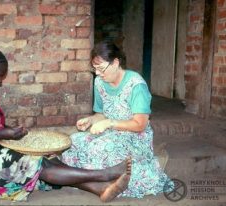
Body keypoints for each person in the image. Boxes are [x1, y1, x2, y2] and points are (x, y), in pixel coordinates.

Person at [0, 47, 132, 202]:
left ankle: (100, 189)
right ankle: (104, 175)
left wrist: (11, 130)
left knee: (48, 158)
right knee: (36, 165)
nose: (0, 82)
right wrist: (2, 135)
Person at [61, 40, 174, 198]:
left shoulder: (136, 85)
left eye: (101, 69)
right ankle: (96, 183)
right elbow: (102, 114)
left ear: (115, 63)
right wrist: (91, 120)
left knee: (98, 148)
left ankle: (103, 181)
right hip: (110, 132)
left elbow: (140, 124)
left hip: (134, 138)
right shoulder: (99, 82)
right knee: (72, 142)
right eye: (95, 69)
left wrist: (110, 123)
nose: (98, 73)